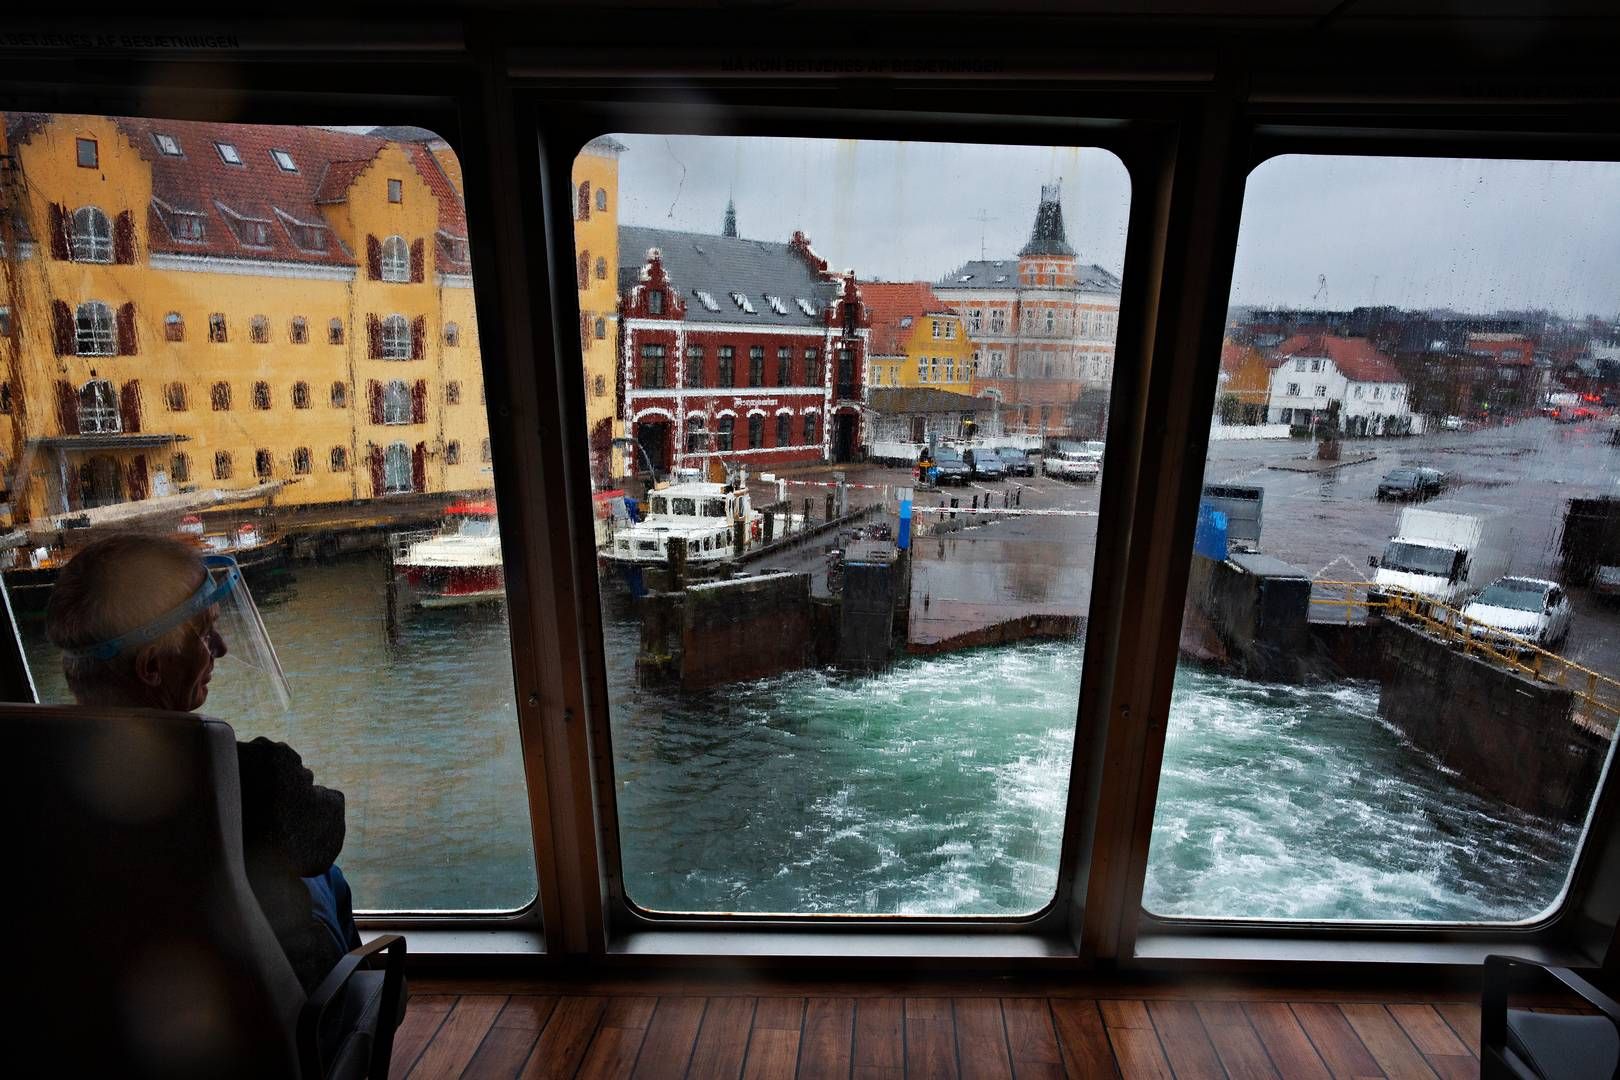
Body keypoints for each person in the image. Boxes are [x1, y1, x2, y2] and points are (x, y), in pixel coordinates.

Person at [45, 532, 359, 993]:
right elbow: (325, 835)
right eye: (205, 634)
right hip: (250, 1012)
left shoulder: (33, 780)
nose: (222, 647)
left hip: (96, 1009)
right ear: (152, 668)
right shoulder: (249, 779)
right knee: (327, 877)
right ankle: (348, 1011)